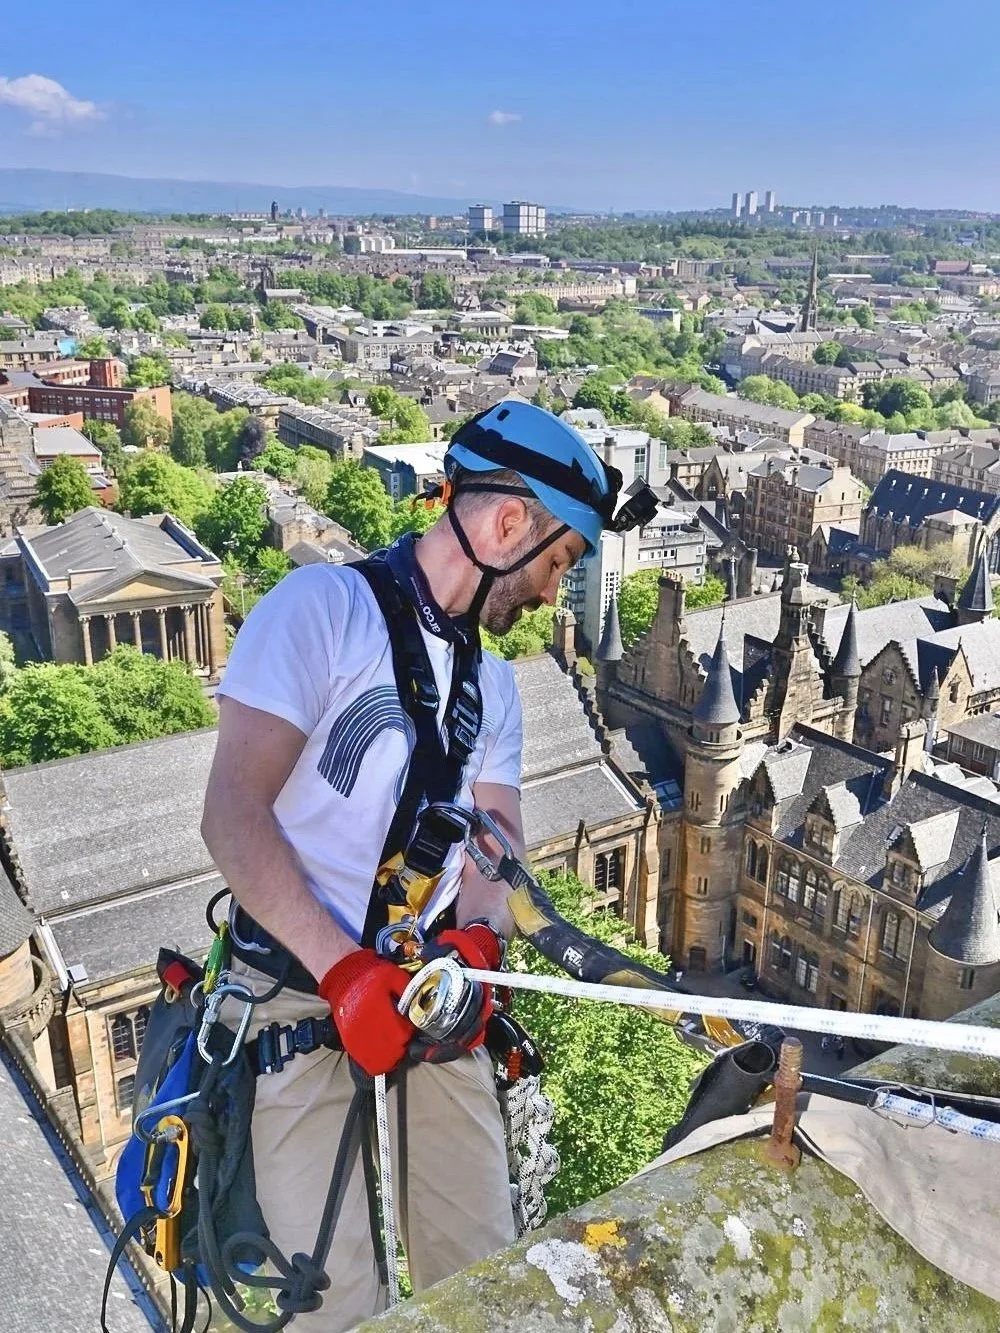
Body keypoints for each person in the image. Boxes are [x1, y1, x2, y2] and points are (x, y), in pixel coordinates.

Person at [201, 400, 624, 1331]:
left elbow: (494, 844)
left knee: (482, 1269)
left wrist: (476, 935)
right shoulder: (321, 612)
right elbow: (231, 815)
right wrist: (342, 969)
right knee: (334, 1302)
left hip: (428, 979)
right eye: (559, 560)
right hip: (296, 992)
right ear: (510, 524)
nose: (554, 591)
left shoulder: (497, 687)